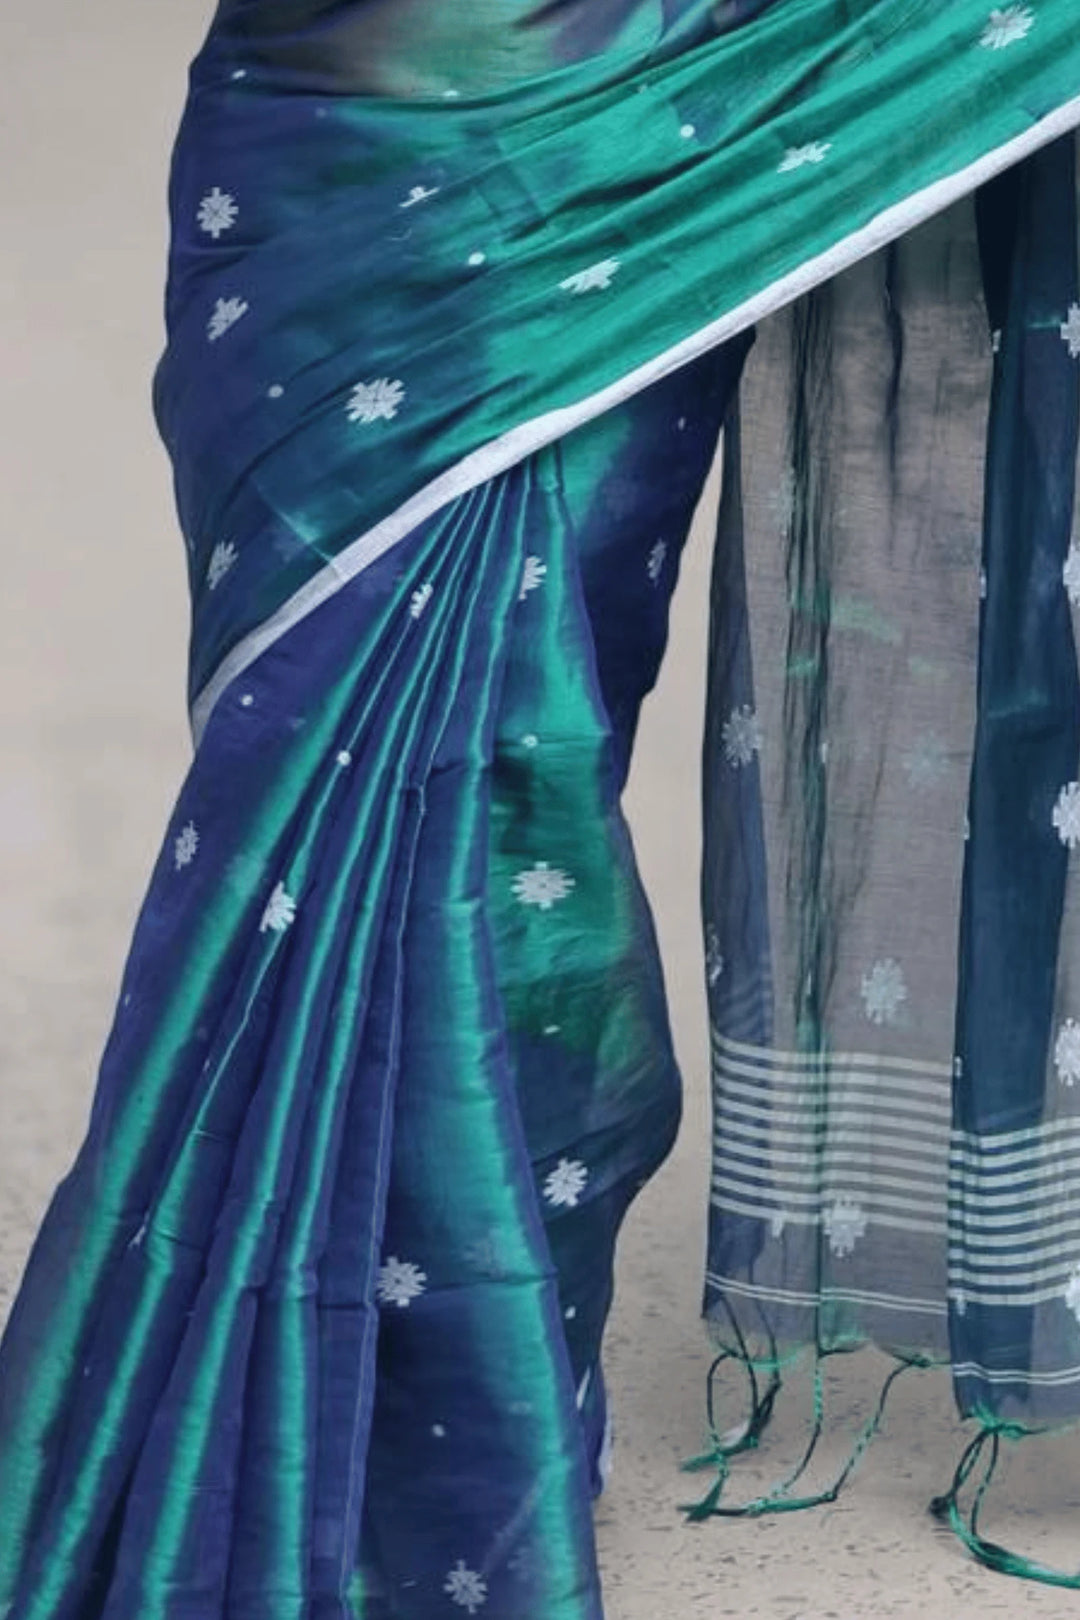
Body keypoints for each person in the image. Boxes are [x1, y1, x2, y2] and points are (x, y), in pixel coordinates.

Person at [1, 2, 1079, 1614]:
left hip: (668, 73)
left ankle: (459, 1418)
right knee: (360, 750)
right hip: (364, 106)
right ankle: (370, 1418)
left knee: (520, 772)